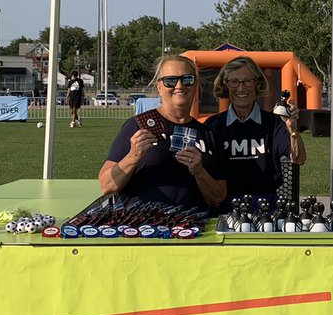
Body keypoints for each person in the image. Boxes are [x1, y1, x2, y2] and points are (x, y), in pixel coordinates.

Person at [99, 55, 226, 211]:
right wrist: (133, 156)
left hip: (190, 228)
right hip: (141, 228)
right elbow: (107, 186)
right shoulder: (138, 126)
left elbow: (218, 198)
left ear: (196, 85)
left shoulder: (207, 134)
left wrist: (199, 172)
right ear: (159, 87)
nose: (179, 86)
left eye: (187, 79)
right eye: (170, 81)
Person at [204, 56, 306, 207]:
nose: (241, 88)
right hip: (225, 206)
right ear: (225, 85)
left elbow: (299, 158)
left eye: (248, 81)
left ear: (257, 84)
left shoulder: (274, 123)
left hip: (266, 206)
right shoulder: (213, 125)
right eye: (234, 82)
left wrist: (293, 131)